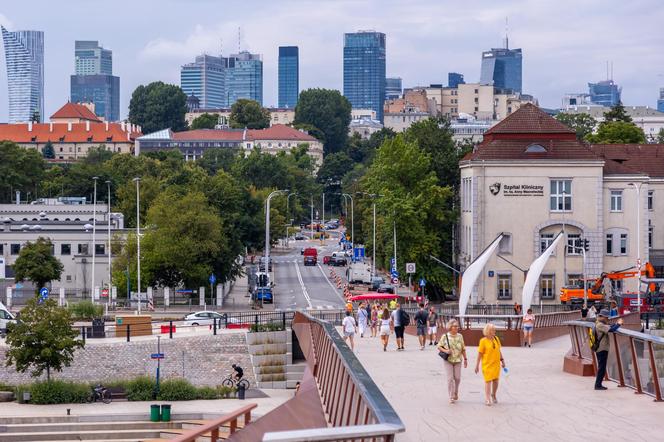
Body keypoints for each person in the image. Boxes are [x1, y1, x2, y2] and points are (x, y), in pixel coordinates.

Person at [474, 323, 505, 406]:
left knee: (496, 381)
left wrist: (502, 360)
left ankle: (493, 394)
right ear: (488, 331)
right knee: (488, 381)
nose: (494, 331)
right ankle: (487, 398)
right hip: (487, 365)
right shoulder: (483, 341)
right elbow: (479, 354)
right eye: (492, 330)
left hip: (496, 364)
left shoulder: (496, 339)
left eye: (494, 329)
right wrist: (477, 365)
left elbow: (499, 351)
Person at [437, 319, 467, 403]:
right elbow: (439, 346)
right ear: (450, 327)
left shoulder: (460, 336)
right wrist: (446, 351)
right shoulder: (445, 336)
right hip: (448, 360)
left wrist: (465, 359)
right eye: (455, 326)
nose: (457, 327)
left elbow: (463, 348)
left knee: (457, 378)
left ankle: (456, 391)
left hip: (458, 360)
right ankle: (451, 396)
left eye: (457, 326)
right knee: (450, 378)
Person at [594, 309, 624, 390]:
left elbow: (610, 326)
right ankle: (597, 385)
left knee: (602, 367)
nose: (607, 319)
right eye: (606, 317)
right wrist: (618, 324)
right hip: (601, 348)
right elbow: (611, 329)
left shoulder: (599, 323)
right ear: (602, 316)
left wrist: (616, 324)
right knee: (602, 368)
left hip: (601, 348)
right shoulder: (599, 325)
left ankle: (598, 384)